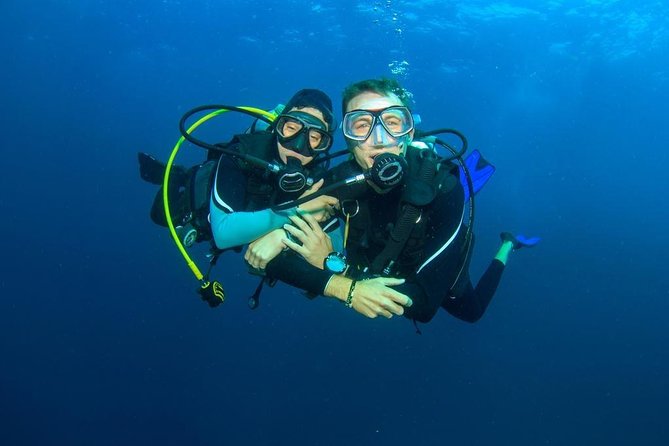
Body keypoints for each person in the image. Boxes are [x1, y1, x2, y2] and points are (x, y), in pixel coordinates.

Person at [264, 78, 538, 325]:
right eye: (361, 125)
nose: (379, 139)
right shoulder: (339, 182)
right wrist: (276, 235)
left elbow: (425, 304)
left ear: (408, 133)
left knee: (472, 313)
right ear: (348, 140)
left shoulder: (444, 188)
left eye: (392, 123)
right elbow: (269, 258)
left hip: (433, 270)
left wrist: (339, 276)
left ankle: (507, 244)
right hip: (374, 269)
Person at [208, 88, 341, 274]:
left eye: (314, 138)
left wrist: (285, 237)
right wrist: (298, 209)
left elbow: (336, 249)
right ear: (278, 126)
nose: (298, 146)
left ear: (322, 146)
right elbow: (223, 234)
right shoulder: (243, 153)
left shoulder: (316, 180)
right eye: (291, 129)